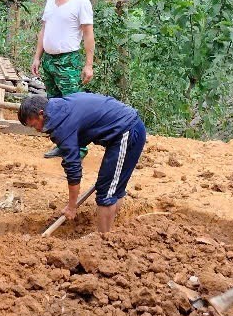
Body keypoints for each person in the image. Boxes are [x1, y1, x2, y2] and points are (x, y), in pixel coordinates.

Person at [18, 92, 147, 233]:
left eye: (34, 125)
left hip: (127, 130)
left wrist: (72, 206)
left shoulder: (61, 126)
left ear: (41, 113)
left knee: (107, 193)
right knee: (111, 188)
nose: (37, 130)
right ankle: (109, 233)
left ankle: (104, 242)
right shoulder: (59, 107)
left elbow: (73, 169)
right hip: (124, 128)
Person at [30, 0, 95, 157]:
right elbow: (44, 30)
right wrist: (37, 57)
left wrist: (88, 64)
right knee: (54, 105)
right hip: (49, 60)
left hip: (68, 61)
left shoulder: (81, 2)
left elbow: (88, 34)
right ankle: (62, 144)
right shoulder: (51, 1)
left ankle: (80, 148)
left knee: (73, 105)